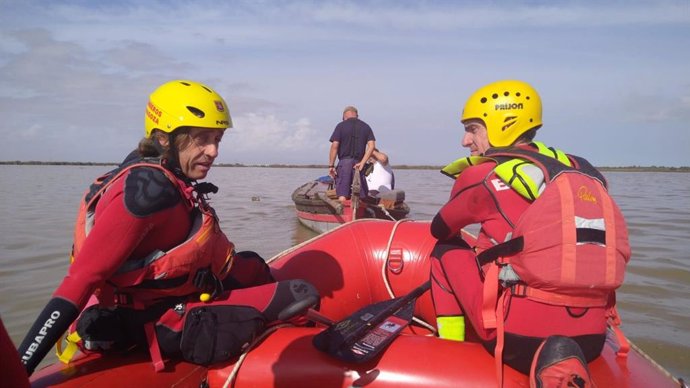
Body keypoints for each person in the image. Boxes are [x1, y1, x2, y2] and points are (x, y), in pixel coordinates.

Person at [17, 80, 318, 375]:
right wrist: (19, 370)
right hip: (150, 318)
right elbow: (79, 280)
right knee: (301, 292)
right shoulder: (146, 192)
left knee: (251, 265)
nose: (213, 151)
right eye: (202, 138)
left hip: (172, 297)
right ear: (165, 138)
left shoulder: (165, 173)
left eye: (218, 139)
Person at [429, 80, 630, 387]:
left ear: (502, 123)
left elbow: (440, 227)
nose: (465, 140)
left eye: (473, 128)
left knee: (445, 249)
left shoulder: (482, 174)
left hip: (517, 340)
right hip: (592, 341)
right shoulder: (586, 171)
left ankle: (453, 351)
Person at [328, 106, 376, 202]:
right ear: (357, 115)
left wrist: (331, 165)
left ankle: (343, 211)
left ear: (344, 116)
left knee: (342, 193)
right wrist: (362, 163)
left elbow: (335, 145)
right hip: (358, 165)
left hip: (344, 163)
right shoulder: (366, 127)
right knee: (360, 194)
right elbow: (371, 146)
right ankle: (359, 214)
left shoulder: (341, 126)